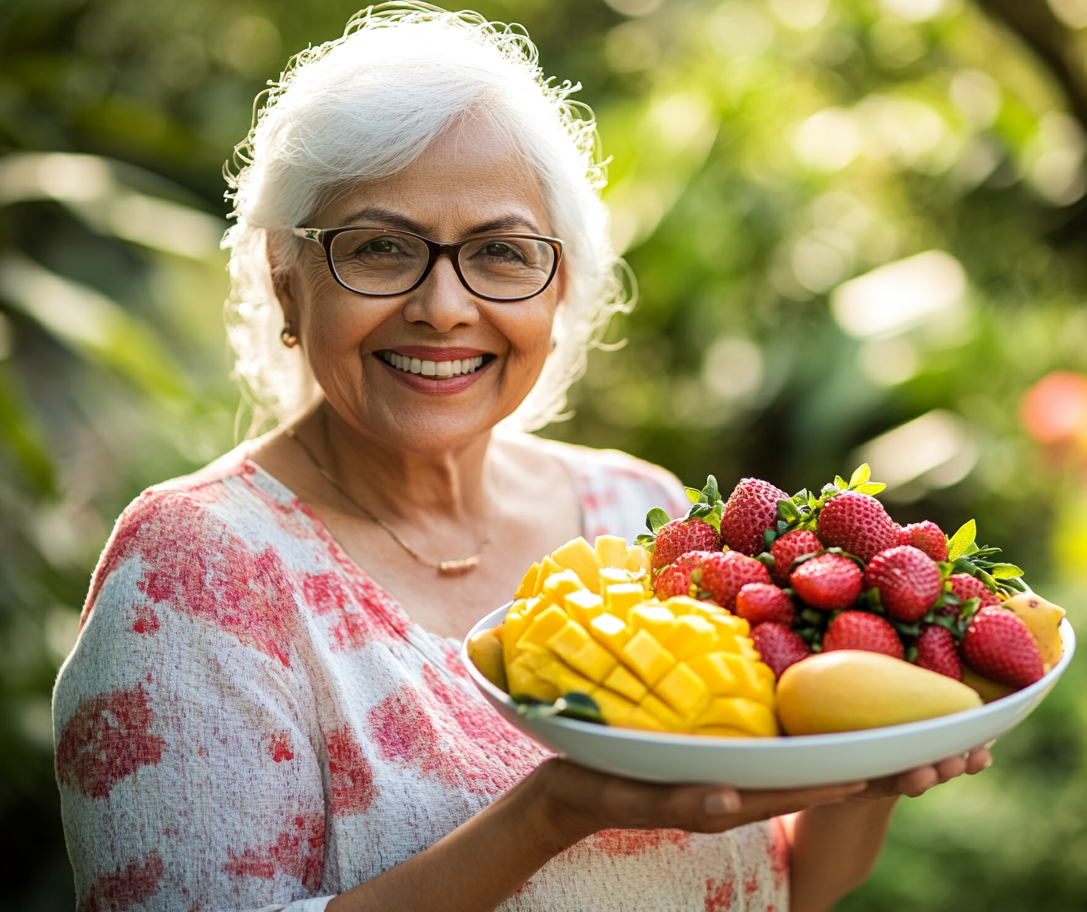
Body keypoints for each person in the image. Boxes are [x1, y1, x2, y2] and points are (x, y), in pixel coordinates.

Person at [52, 6, 990, 911]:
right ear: (285, 281)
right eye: (380, 248)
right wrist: (549, 813)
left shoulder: (643, 512)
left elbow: (775, 887)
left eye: (501, 253)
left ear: (559, 288)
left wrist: (869, 773)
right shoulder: (194, 572)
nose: (445, 307)